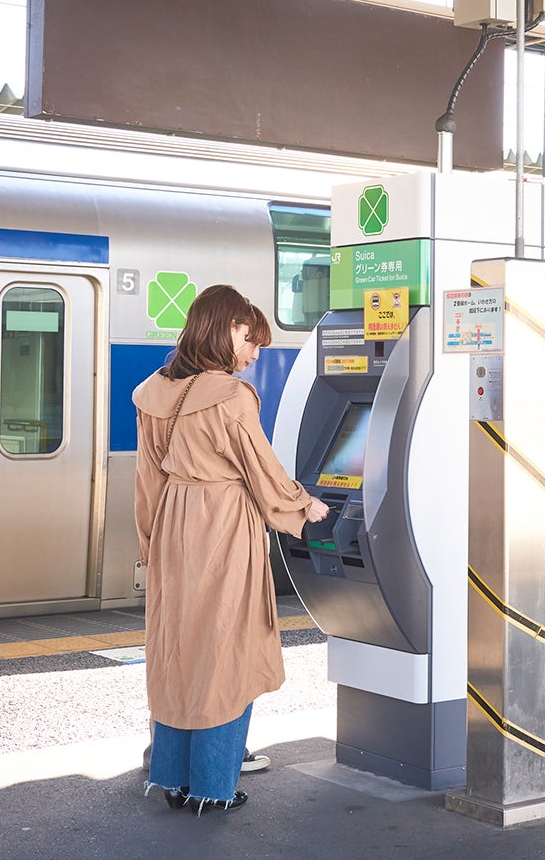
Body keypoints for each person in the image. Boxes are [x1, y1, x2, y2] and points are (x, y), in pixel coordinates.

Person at [133, 284, 329, 814]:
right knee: (226, 649)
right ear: (223, 329)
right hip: (221, 527)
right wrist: (302, 507)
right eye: (250, 338)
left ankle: (169, 777)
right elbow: (261, 471)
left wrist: (151, 544)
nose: (254, 352)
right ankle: (213, 784)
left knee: (177, 651)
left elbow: (147, 480)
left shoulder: (154, 393)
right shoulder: (231, 397)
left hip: (174, 526)